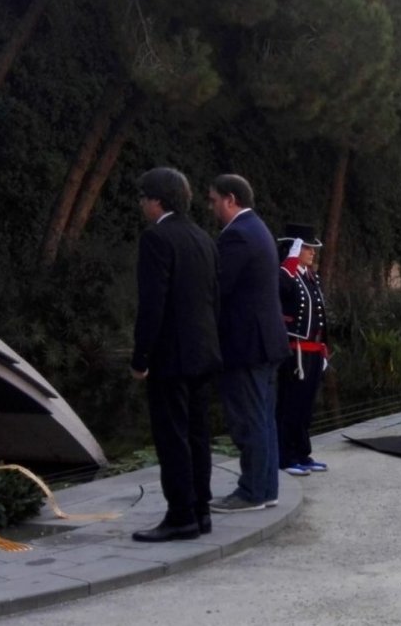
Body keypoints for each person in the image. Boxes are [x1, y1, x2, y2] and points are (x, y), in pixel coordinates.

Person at [129, 167, 221, 542]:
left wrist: (141, 357)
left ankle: (180, 514)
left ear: (157, 200)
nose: (141, 205)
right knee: (198, 435)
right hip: (203, 352)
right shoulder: (203, 238)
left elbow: (153, 304)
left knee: (172, 437)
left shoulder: (156, 238)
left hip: (171, 356)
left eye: (143, 198)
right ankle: (201, 510)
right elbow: (212, 298)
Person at [206, 174, 290, 513]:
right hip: (265, 343)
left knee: (249, 420)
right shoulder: (258, 229)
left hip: (247, 345)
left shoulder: (238, 235)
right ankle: (265, 488)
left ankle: (252, 491)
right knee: (264, 420)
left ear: (230, 199)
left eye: (212, 201)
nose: (211, 208)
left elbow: (217, 287)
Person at [275, 223, 330, 477]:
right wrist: (288, 263)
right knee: (290, 405)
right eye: (307, 248)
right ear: (295, 248)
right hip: (294, 351)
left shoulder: (309, 276)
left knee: (306, 406)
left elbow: (320, 316)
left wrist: (324, 347)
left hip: (313, 351)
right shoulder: (286, 275)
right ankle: (285, 456)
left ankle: (302, 452)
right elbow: (279, 290)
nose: (312, 252)